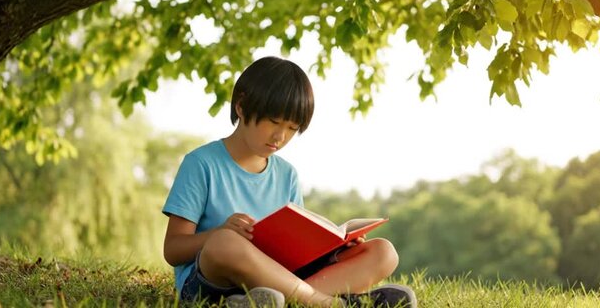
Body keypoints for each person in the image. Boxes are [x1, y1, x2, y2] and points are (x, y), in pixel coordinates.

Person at [162, 56, 417, 307]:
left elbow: (297, 254)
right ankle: (331, 304)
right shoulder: (202, 163)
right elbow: (173, 250)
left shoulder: (287, 174)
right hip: (210, 285)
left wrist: (333, 249)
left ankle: (263, 303)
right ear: (241, 106)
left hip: (281, 282)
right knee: (225, 244)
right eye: (273, 122)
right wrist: (219, 233)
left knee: (383, 252)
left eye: (292, 128)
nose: (280, 136)